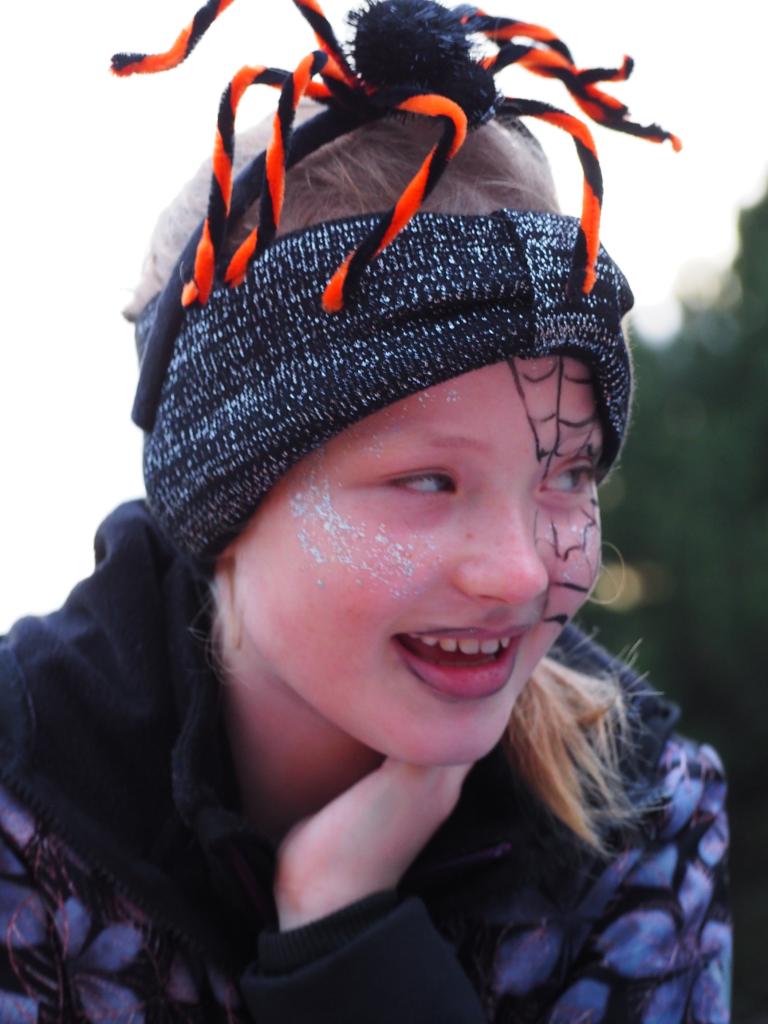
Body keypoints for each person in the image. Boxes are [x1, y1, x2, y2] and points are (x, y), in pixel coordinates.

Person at [0, 0, 731, 1020]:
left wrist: (344, 939)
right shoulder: (29, 801)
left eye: (568, 474)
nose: (521, 571)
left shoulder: (638, 815)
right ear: (225, 492)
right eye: (428, 481)